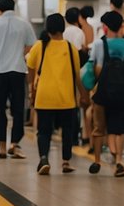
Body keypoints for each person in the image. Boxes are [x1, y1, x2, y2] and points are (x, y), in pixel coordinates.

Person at [25, 13, 84, 176]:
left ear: (47, 28)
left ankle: (44, 158)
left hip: (44, 97)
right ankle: (65, 162)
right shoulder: (71, 48)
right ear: (63, 28)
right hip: (67, 99)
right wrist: (83, 94)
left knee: (44, 131)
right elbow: (77, 76)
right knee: (67, 130)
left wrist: (31, 87)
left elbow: (29, 66)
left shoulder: (40, 46)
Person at [0, 0, 37, 159]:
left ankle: (2, 148)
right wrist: (20, 55)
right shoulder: (24, 24)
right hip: (18, 71)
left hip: (0, 72)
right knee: (18, 108)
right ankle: (15, 143)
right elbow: (31, 47)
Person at [91, 11, 124, 177]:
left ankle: (97, 160)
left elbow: (96, 69)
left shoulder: (98, 44)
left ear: (105, 27)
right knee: (118, 129)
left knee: (98, 128)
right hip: (122, 91)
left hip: (102, 91)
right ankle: (119, 160)